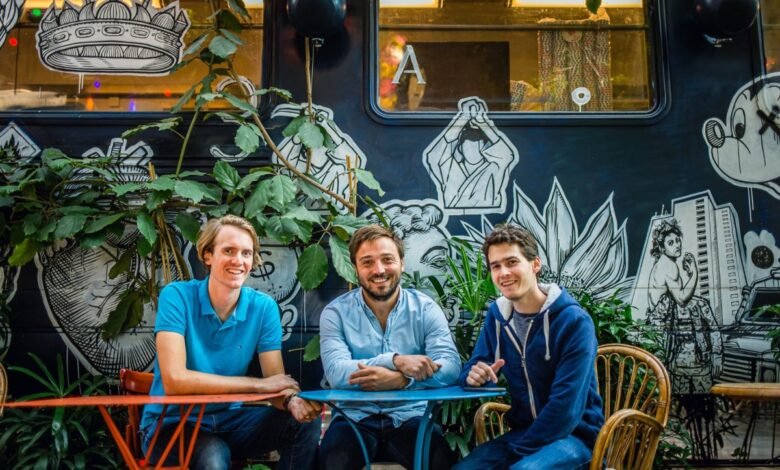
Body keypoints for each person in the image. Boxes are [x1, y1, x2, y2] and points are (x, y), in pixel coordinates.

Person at [140, 215, 321, 470]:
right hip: (172, 425)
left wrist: (292, 401)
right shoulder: (177, 296)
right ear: (207, 255)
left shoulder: (263, 307)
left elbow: (276, 383)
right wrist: (258, 386)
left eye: (246, 253)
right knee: (213, 454)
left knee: (303, 422)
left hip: (229, 421)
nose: (238, 260)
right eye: (228, 251)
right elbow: (174, 381)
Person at [455, 224, 603, 470]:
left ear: (535, 265)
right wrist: (473, 377)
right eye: (496, 266)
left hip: (575, 436)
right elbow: (471, 370)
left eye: (512, 262)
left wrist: (516, 455)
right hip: (523, 432)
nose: (504, 273)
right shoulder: (497, 317)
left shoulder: (574, 321)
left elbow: (565, 408)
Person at [318, 224, 461, 470]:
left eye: (387, 259)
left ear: (402, 263)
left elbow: (450, 367)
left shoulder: (425, 309)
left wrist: (402, 381)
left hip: (412, 417)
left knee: (440, 459)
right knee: (333, 461)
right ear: (355, 268)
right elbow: (336, 372)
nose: (379, 270)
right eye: (367, 262)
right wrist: (394, 360)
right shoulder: (336, 313)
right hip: (354, 418)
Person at [647, 219, 722, 394]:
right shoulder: (668, 265)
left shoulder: (664, 264)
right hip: (664, 339)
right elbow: (681, 299)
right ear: (662, 248)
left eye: (677, 240)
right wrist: (694, 273)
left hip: (666, 341)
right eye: (670, 243)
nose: (677, 245)